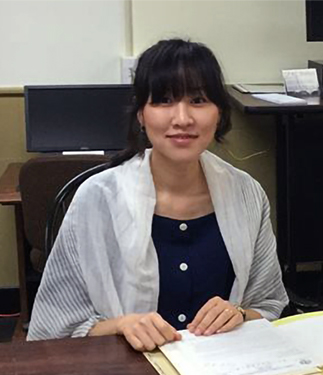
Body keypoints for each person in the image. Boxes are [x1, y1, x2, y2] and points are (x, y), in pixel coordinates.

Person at [27, 39, 289, 351]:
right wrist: (123, 324)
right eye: (164, 101)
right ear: (140, 114)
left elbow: (269, 304)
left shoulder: (246, 194)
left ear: (219, 112)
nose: (182, 118)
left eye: (198, 100)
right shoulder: (97, 199)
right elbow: (56, 326)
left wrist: (240, 313)